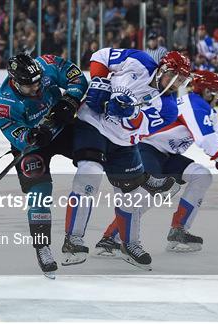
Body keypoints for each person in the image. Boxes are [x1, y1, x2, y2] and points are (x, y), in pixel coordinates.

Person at [95, 70, 218, 256]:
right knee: (150, 195)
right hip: (147, 148)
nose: (217, 98)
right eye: (216, 93)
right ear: (207, 92)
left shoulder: (206, 110)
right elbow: (205, 139)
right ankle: (109, 238)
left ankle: (178, 230)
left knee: (201, 176)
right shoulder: (194, 104)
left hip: (167, 155)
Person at [63, 49, 192, 270]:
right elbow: (100, 57)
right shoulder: (139, 61)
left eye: (181, 81)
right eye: (173, 76)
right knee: (90, 172)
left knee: (131, 196)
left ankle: (129, 245)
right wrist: (99, 81)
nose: (175, 84)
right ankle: (73, 240)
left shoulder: (168, 108)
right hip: (92, 123)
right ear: (162, 69)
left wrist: (129, 113)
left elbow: (141, 127)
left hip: (123, 142)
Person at [0, 53, 88, 278]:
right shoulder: (4, 103)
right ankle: (42, 246)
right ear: (15, 81)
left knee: (92, 159)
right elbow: (15, 133)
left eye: (38, 82)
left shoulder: (48, 64)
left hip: (62, 129)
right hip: (34, 146)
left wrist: (69, 101)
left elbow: (79, 80)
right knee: (40, 192)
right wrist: (32, 136)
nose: (36, 88)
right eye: (29, 85)